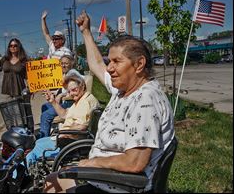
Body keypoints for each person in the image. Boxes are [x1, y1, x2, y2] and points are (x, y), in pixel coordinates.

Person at [43, 10, 175, 193]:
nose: (110, 67)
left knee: (54, 184)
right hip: (108, 179)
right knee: (53, 180)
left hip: (120, 186)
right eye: (109, 61)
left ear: (139, 64)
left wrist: (92, 163)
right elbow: (97, 65)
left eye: (116, 62)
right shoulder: (125, 90)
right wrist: (86, 33)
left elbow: (135, 162)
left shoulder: (145, 100)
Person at [26, 73, 99, 168]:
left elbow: (81, 127)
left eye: (74, 90)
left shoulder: (84, 102)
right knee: (38, 142)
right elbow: (64, 114)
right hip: (69, 139)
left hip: (69, 142)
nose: (71, 94)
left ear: (82, 86)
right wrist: (53, 101)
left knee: (32, 153)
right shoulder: (83, 98)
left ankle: (18, 178)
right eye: (69, 91)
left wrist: (63, 133)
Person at [37, 54, 83, 139]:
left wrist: (61, 95)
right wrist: (54, 93)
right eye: (61, 63)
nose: (63, 65)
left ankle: (43, 139)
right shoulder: (65, 74)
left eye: (66, 63)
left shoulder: (72, 73)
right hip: (66, 101)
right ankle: (48, 129)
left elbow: (78, 88)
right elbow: (64, 89)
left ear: (71, 64)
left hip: (70, 102)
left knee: (45, 115)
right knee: (45, 106)